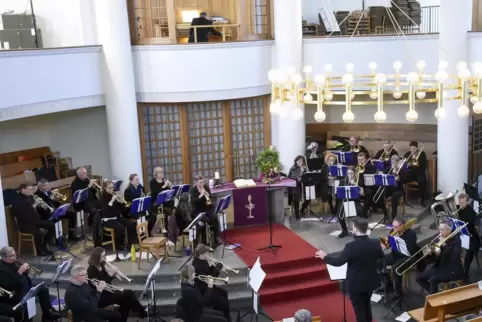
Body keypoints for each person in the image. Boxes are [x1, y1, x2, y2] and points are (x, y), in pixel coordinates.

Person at [316, 218, 384, 322]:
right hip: (370, 281)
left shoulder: (351, 247)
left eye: (353, 228)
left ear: (356, 230)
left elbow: (338, 262)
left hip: (356, 284)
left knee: (360, 310)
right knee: (366, 307)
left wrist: (325, 257)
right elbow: (381, 258)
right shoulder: (376, 243)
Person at [0, 246, 59, 322]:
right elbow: (8, 285)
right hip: (15, 293)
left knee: (43, 289)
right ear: (4, 257)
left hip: (25, 285)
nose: (15, 257)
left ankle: (47, 315)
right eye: (12, 256)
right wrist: (20, 272)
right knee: (27, 302)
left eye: (15, 254)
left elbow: (23, 277)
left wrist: (26, 271)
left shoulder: (14, 262)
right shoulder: (1, 269)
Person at [87, 248, 147, 321]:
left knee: (126, 300)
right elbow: (101, 284)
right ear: (96, 257)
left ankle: (134, 313)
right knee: (129, 294)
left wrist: (115, 274)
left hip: (108, 291)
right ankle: (141, 311)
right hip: (101, 296)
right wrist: (111, 274)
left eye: (104, 255)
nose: (104, 258)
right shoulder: (91, 270)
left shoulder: (101, 264)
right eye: (102, 256)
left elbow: (107, 280)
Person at [416, 219, 463, 294]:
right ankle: (435, 295)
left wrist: (444, 245)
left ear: (449, 230)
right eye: (439, 229)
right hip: (440, 266)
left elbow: (454, 257)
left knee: (433, 279)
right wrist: (431, 253)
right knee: (418, 278)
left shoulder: (457, 240)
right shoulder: (439, 238)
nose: (440, 232)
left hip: (452, 270)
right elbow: (434, 258)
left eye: (442, 230)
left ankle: (433, 298)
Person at [378, 216, 420, 300]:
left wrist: (398, 238)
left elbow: (409, 249)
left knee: (396, 268)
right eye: (393, 226)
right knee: (379, 261)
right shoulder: (393, 231)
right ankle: (388, 285)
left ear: (402, 225)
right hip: (396, 255)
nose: (394, 229)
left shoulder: (411, 234)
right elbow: (388, 245)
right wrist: (384, 245)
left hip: (408, 257)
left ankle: (398, 292)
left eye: (396, 227)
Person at [10, 182, 55, 256]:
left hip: (34, 221)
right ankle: (39, 251)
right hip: (25, 224)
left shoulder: (30, 196)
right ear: (22, 189)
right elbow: (24, 213)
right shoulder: (17, 200)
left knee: (51, 224)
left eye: (31, 189)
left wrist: (40, 204)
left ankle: (44, 245)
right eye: (29, 189)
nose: (31, 191)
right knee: (39, 233)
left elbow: (34, 210)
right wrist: (35, 205)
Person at [192, 244, 230, 321]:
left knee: (224, 293)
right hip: (204, 291)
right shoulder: (197, 265)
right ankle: (225, 318)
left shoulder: (203, 260)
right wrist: (217, 269)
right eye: (207, 253)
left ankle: (226, 317)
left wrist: (213, 266)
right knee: (222, 301)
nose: (208, 254)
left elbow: (208, 271)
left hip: (209, 287)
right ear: (201, 254)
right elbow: (210, 278)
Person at [100, 180, 137, 250]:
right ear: (105, 188)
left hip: (116, 217)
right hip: (108, 219)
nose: (111, 189)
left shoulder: (113, 195)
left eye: (112, 187)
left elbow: (120, 210)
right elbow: (105, 211)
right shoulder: (103, 197)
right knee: (121, 228)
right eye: (109, 188)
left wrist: (122, 203)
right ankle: (118, 244)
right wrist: (111, 201)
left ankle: (131, 244)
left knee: (131, 224)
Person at [190, 175, 222, 245]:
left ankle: (217, 237)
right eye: (199, 182)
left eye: (202, 182)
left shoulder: (206, 187)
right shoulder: (193, 190)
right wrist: (201, 195)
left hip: (207, 207)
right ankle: (205, 241)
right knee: (205, 220)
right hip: (198, 209)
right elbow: (193, 201)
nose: (201, 184)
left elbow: (209, 201)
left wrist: (207, 195)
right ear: (196, 182)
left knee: (215, 218)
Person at [455, 193, 480, 280]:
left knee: (471, 249)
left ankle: (465, 270)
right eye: (460, 203)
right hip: (459, 234)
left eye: (463, 203)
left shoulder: (471, 212)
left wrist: (462, 225)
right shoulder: (457, 209)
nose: (461, 205)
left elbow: (470, 226)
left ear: (467, 202)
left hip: (470, 235)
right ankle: (453, 267)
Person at [336, 166, 364, 239]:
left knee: (360, 212)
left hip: (355, 200)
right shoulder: (342, 181)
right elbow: (339, 193)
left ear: (354, 174)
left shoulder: (358, 180)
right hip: (345, 200)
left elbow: (362, 193)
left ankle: (359, 230)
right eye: (348, 173)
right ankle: (344, 230)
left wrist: (355, 184)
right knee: (339, 214)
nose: (350, 175)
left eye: (351, 173)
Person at [149, 167, 174, 233]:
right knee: (162, 209)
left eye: (162, 173)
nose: (161, 174)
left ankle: (170, 222)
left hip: (164, 200)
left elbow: (168, 192)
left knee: (172, 202)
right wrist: (164, 186)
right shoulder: (152, 182)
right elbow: (157, 192)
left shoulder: (164, 180)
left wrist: (170, 186)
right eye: (159, 173)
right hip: (155, 201)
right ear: (155, 174)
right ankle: (164, 227)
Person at [403, 141, 427, 207]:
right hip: (410, 172)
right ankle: (403, 198)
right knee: (401, 179)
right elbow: (404, 164)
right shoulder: (407, 154)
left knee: (422, 181)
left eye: (414, 148)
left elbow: (424, 165)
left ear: (417, 148)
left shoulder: (422, 153)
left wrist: (417, 162)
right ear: (409, 148)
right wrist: (408, 163)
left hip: (419, 172)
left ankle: (422, 200)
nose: (412, 150)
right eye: (411, 148)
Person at [385, 155, 407, 220]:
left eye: (394, 162)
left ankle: (393, 217)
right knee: (382, 193)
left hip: (399, 189)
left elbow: (404, 180)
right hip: (390, 189)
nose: (393, 164)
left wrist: (398, 178)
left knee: (394, 196)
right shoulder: (389, 169)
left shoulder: (401, 170)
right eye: (392, 162)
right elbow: (384, 175)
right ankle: (385, 215)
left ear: (398, 163)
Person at [288, 155, 310, 219]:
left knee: (309, 196)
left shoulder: (301, 168)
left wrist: (304, 171)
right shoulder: (293, 168)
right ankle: (297, 214)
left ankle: (302, 209)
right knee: (296, 198)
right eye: (299, 161)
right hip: (294, 185)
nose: (300, 163)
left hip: (301, 184)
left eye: (302, 161)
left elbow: (305, 176)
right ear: (296, 161)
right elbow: (292, 177)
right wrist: (301, 171)